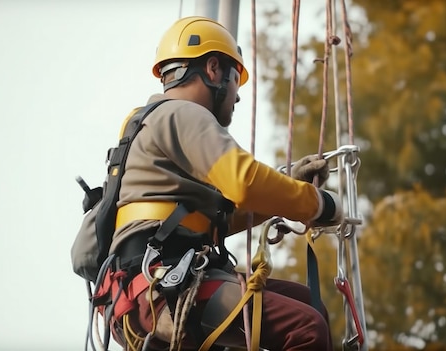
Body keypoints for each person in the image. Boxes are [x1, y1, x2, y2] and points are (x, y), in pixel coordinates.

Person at [96, 16, 342, 351]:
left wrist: (284, 187)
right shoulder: (182, 114)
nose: (236, 97)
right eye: (234, 81)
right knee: (306, 327)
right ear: (213, 69)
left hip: (150, 285)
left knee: (309, 303)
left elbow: (219, 220)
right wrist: (317, 203)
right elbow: (244, 181)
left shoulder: (148, 125)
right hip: (161, 283)